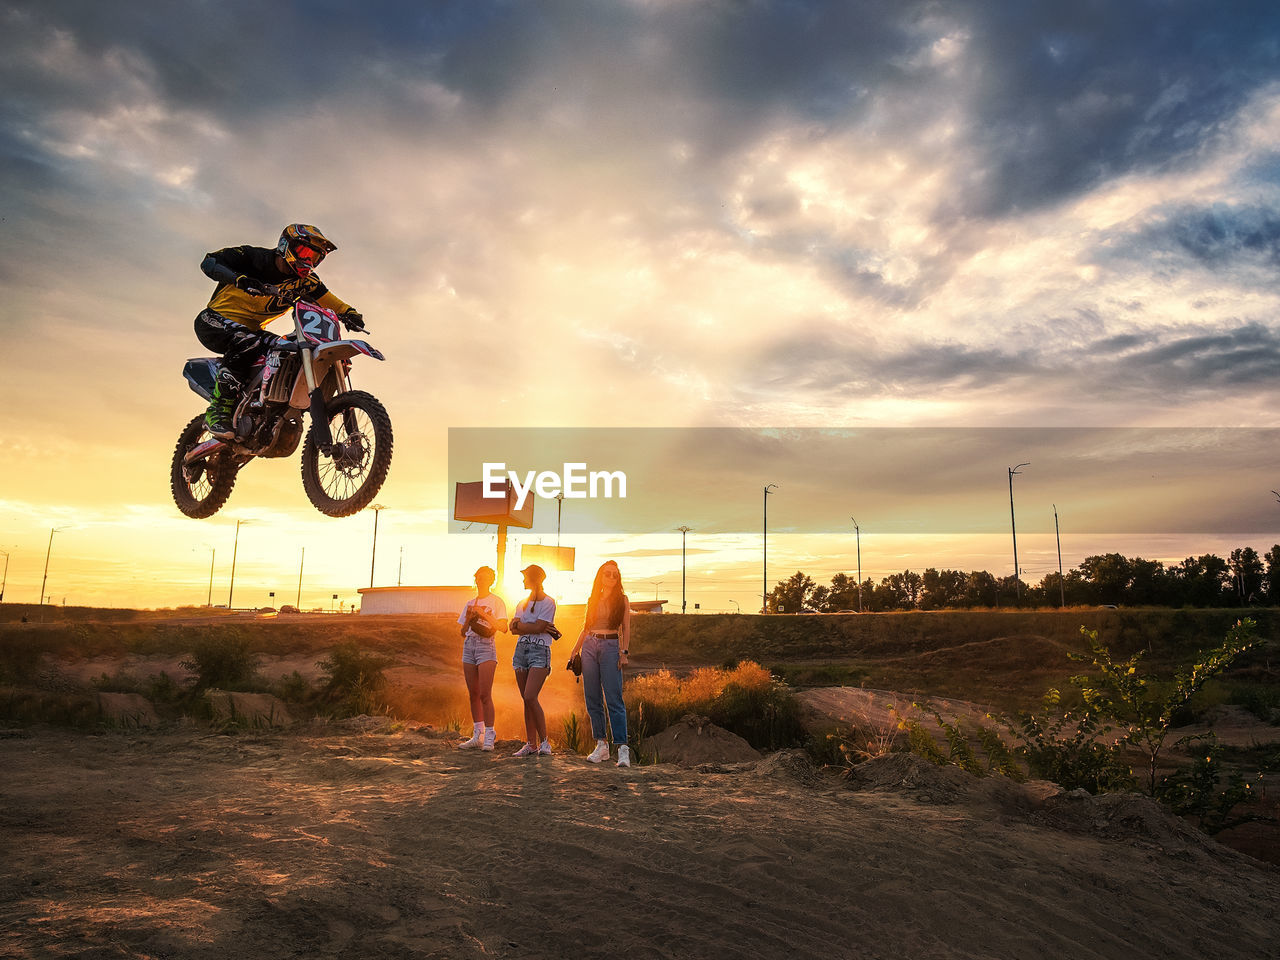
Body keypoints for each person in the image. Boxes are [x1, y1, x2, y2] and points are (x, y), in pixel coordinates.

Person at [194, 223, 365, 439]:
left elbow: (331, 301)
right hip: (214, 320)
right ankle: (218, 410)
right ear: (286, 246)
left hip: (253, 330)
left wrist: (350, 313)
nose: (308, 261)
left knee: (287, 351)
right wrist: (240, 279)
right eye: (304, 252)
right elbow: (209, 262)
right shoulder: (254, 258)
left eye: (315, 258)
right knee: (247, 343)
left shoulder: (306, 282)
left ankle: (265, 409)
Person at [567, 560, 632, 767]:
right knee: (592, 697)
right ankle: (601, 745)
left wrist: (624, 653)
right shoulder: (592, 598)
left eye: (615, 574)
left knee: (614, 698)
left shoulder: (622, 599)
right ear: (600, 576)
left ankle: (622, 748)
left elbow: (626, 628)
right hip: (589, 646)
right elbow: (586, 627)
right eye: (607, 574)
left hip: (611, 646)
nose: (611, 577)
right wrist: (574, 649)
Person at [456, 566, 507, 751]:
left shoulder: (496, 601)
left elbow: (503, 627)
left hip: (486, 647)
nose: (481, 581)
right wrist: (469, 618)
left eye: (485, 578)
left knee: (485, 694)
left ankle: (490, 734)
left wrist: (484, 614)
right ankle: (477, 734)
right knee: (473, 694)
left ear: (491, 580)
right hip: (469, 645)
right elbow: (462, 632)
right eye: (479, 577)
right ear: (475, 579)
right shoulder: (469, 602)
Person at [509, 564, 557, 757]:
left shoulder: (549, 602)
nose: (523, 580)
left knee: (530, 696)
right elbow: (513, 628)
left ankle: (545, 742)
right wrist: (533, 626)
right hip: (521, 651)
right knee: (526, 700)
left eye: (525, 576)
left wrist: (525, 625)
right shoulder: (521, 602)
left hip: (540, 652)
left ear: (535, 579)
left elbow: (538, 627)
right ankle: (531, 744)